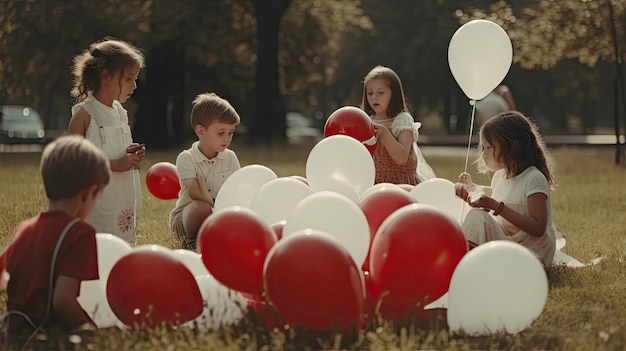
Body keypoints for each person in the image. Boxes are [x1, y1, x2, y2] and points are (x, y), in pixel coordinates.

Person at [0, 135, 110, 347]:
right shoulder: (79, 233)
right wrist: (92, 330)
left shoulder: (25, 228)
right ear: (89, 193)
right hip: (45, 333)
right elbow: (62, 302)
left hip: (13, 329)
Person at [454, 111, 556, 268]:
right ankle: (464, 263)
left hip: (531, 254)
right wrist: (472, 188)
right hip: (509, 243)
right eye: (482, 147)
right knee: (473, 216)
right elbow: (500, 194)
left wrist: (496, 207)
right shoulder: (501, 176)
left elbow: (538, 228)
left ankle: (461, 265)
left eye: (488, 147)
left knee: (478, 218)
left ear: (511, 147)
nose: (483, 154)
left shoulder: (533, 179)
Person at [68, 37, 146, 243]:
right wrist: (114, 164)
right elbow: (74, 162)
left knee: (121, 239)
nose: (135, 86)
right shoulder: (85, 114)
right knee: (98, 240)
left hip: (121, 194)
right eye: (129, 79)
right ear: (105, 75)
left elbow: (117, 147)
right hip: (97, 197)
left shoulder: (120, 112)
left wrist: (131, 154)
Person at [169, 93, 241, 249]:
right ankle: (193, 241)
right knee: (202, 207)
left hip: (219, 215)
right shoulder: (186, 158)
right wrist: (216, 210)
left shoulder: (230, 157)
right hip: (187, 218)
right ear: (201, 131)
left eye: (231, 132)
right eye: (221, 133)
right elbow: (195, 193)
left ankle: (217, 235)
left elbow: (235, 190)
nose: (227, 138)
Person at [360, 65, 436, 185]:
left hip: (401, 185)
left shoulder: (401, 120)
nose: (374, 97)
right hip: (374, 184)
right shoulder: (365, 121)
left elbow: (401, 158)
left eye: (380, 92)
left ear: (393, 94)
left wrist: (385, 134)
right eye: (370, 93)